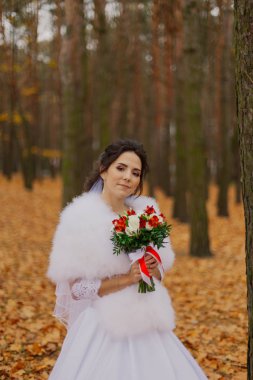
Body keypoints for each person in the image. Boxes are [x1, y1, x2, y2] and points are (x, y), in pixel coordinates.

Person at [47, 139, 208, 380]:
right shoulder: (79, 219)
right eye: (120, 168)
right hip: (104, 325)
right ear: (104, 170)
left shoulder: (145, 214)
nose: (127, 177)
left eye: (135, 173)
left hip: (148, 318)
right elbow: (77, 289)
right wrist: (127, 278)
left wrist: (153, 269)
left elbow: (159, 268)